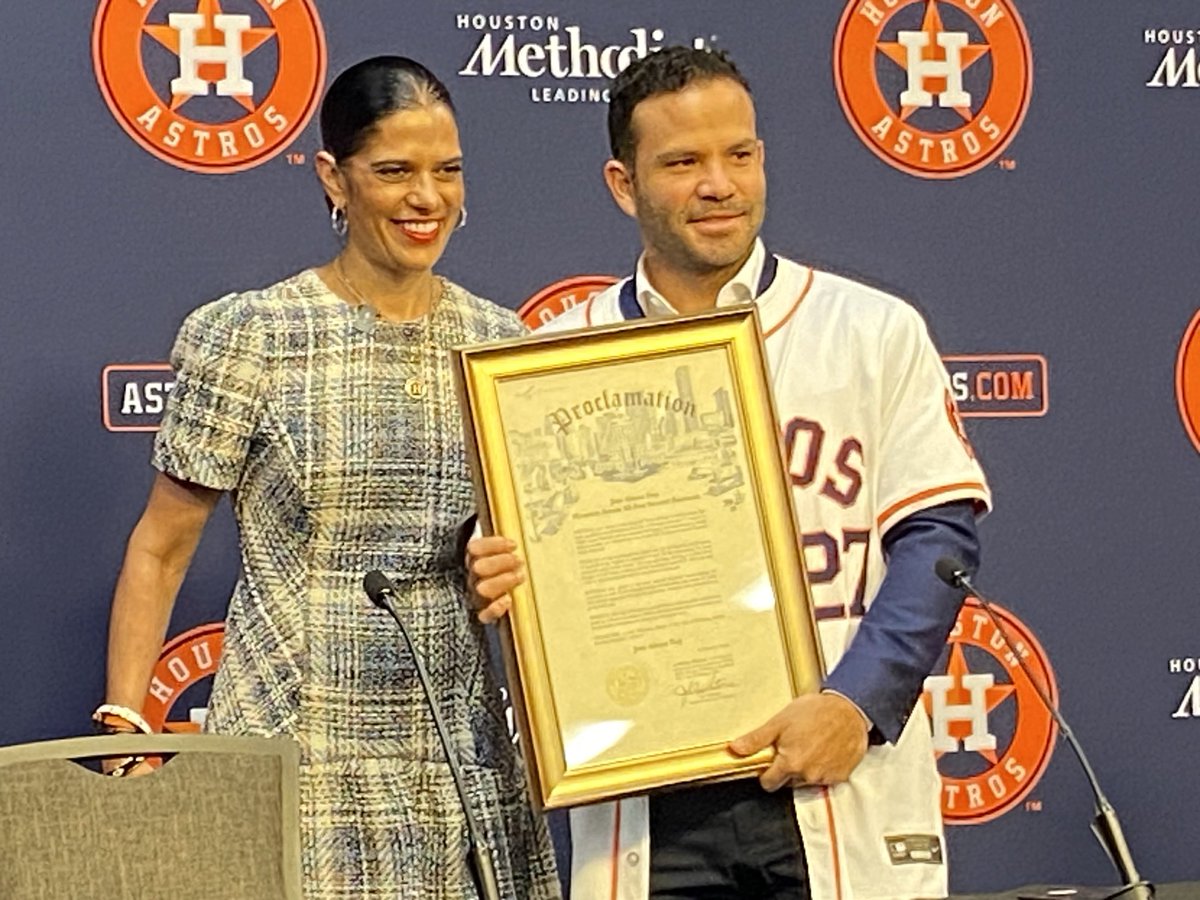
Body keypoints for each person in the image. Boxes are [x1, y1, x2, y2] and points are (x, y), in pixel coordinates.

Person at [468, 46, 990, 900]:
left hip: (833, 778)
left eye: (738, 155)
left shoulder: (870, 330)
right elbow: (528, 569)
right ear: (623, 185)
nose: (719, 184)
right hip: (647, 801)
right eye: (683, 163)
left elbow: (937, 544)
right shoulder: (552, 359)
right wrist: (496, 570)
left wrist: (858, 704)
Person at [99, 56, 561, 900]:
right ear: (332, 177)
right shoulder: (254, 335)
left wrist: (504, 572)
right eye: (394, 171)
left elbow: (528, 553)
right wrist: (129, 725)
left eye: (447, 171)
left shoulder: (502, 344)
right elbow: (160, 550)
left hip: (457, 752)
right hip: (297, 743)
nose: (426, 198)